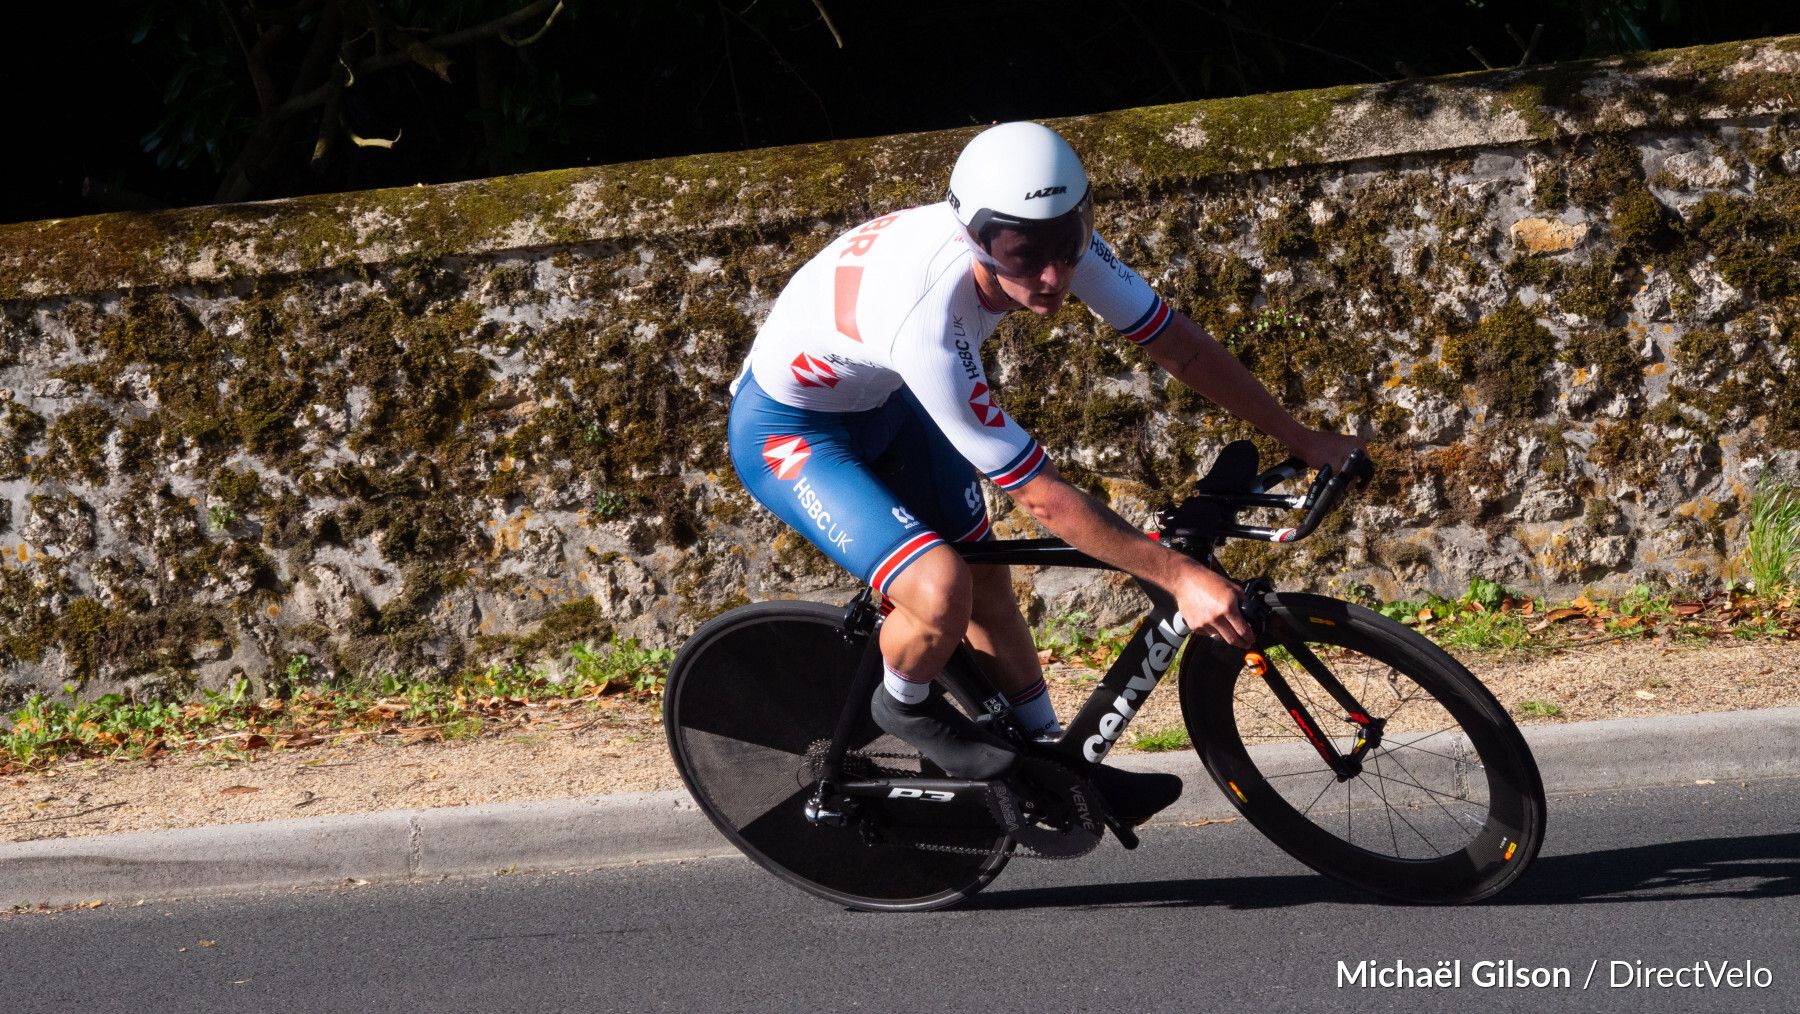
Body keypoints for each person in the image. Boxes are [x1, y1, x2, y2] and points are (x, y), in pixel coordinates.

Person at [727, 121, 1364, 823]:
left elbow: (1177, 346)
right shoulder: (927, 318)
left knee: (991, 591)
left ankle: (1055, 765)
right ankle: (900, 703)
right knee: (942, 589)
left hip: (884, 399)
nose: (1053, 276)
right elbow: (1041, 498)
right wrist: (1180, 578)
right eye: (1023, 256)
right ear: (976, 239)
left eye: (1068, 245)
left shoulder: (1048, 239)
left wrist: (1300, 437)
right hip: (792, 431)